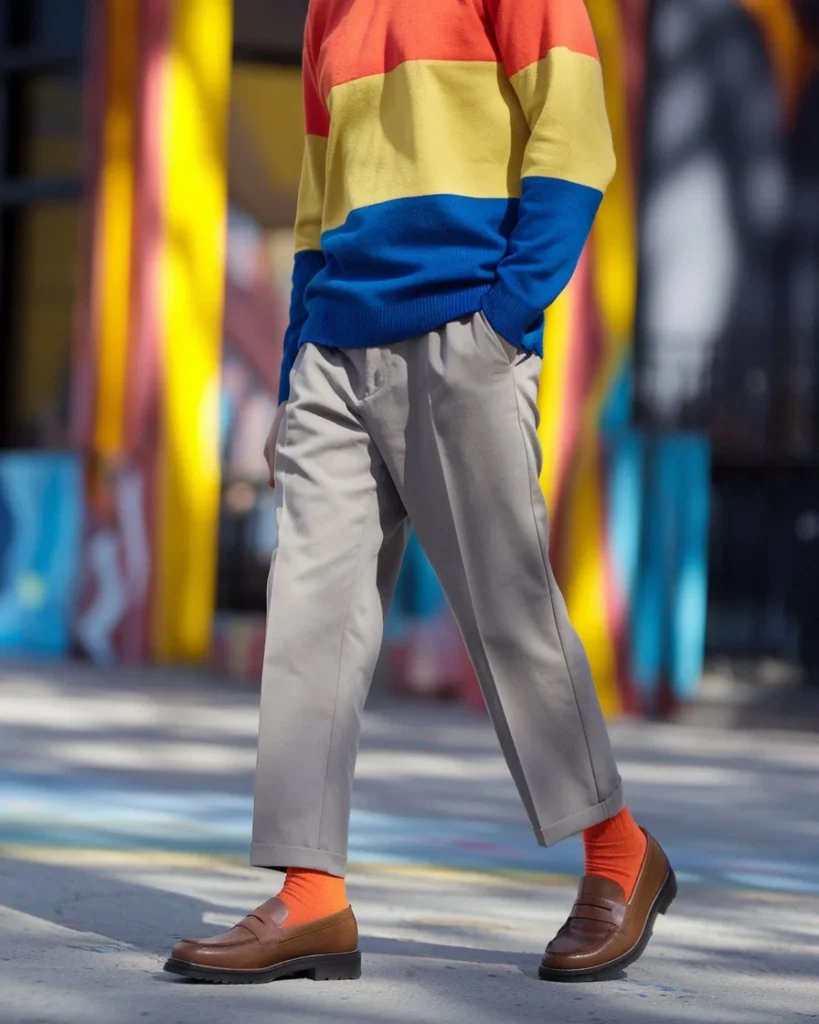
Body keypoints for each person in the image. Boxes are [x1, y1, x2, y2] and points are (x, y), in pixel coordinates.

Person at [164, 0, 676, 985]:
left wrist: (503, 319)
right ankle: (311, 893)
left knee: (504, 607)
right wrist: (293, 370)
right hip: (333, 349)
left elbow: (577, 138)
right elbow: (318, 205)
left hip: (463, 334)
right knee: (309, 615)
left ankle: (618, 849)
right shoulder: (327, 14)